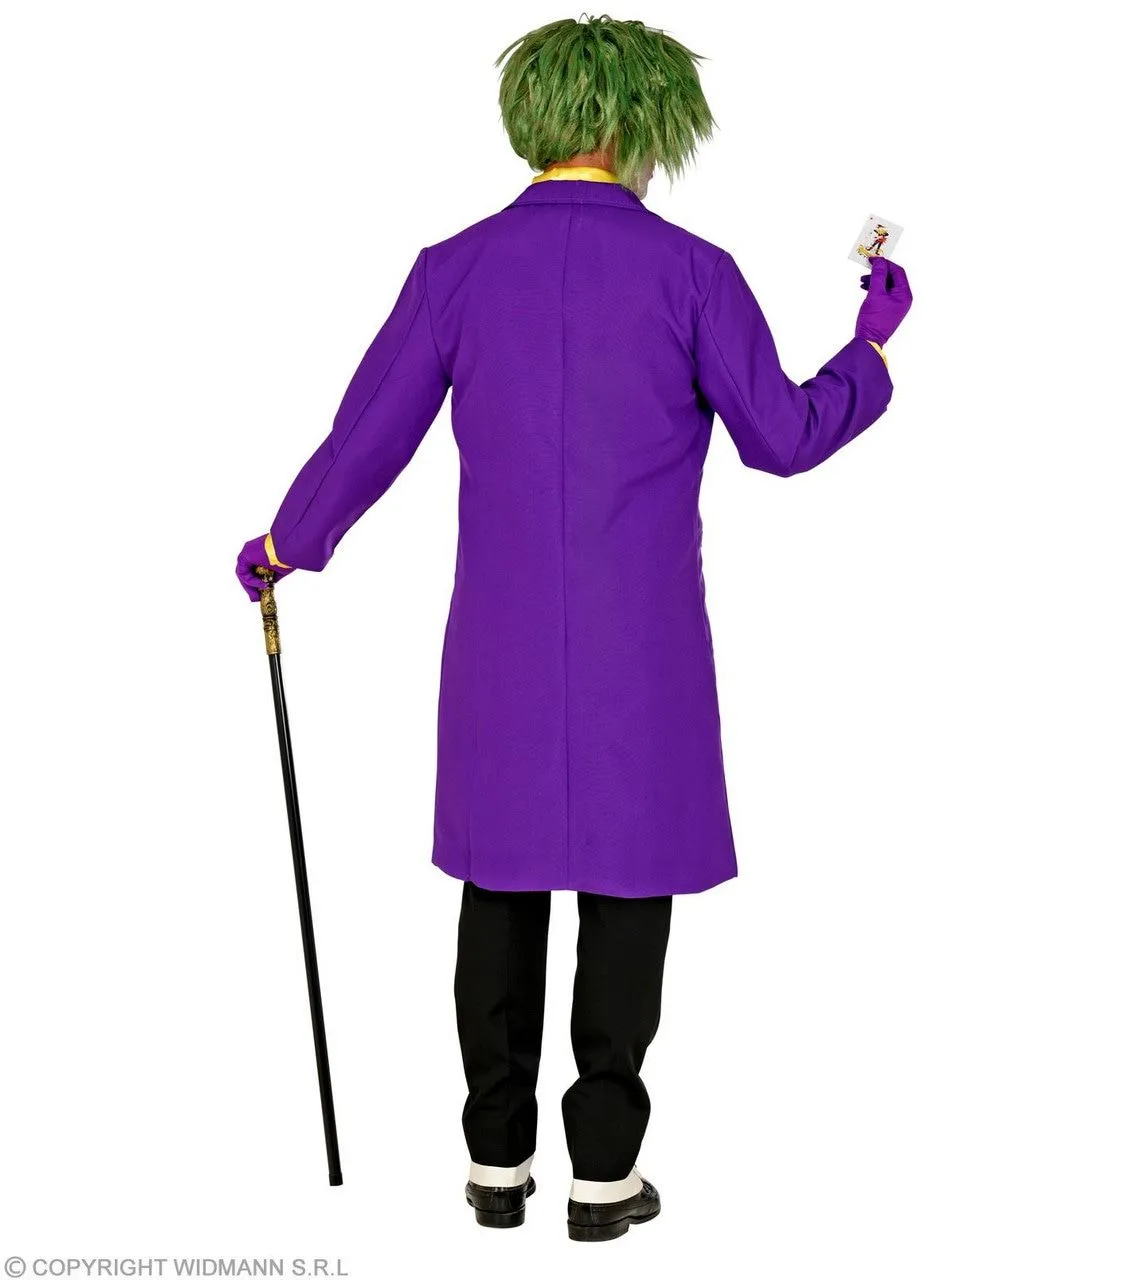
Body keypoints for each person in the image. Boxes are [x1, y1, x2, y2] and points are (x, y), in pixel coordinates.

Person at [235, 15, 912, 1242]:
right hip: (641, 653)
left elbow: (364, 438)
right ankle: (603, 1172)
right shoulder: (692, 271)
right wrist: (865, 347)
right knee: (625, 885)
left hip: (496, 650)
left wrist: (287, 541)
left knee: (498, 886)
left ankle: (494, 1162)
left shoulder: (453, 270)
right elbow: (781, 436)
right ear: (644, 128)